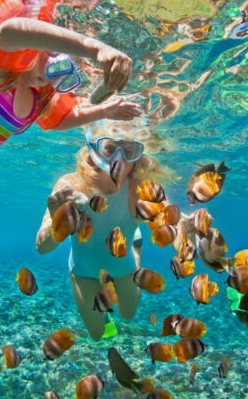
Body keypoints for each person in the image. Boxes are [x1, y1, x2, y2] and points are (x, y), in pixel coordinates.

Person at [0, 0, 143, 276]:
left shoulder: (38, 98)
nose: (56, 69)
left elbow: (65, 118)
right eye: (56, 55)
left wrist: (104, 110)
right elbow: (9, 30)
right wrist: (95, 49)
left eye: (68, 72)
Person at [35, 121, 175, 340]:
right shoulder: (71, 185)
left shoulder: (140, 188)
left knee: (128, 315)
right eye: (109, 149)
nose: (117, 159)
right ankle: (132, 242)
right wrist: (56, 223)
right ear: (93, 149)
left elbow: (170, 222)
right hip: (83, 270)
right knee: (98, 333)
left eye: (128, 151)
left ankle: (136, 250)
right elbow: (42, 248)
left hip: (124, 264)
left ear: (137, 158)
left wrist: (187, 229)